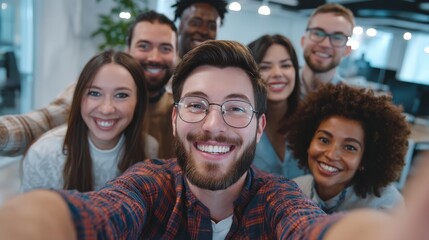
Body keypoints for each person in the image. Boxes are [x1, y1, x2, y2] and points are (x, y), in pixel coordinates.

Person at [0, 40, 429, 240]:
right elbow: (97, 213)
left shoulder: (279, 199)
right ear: (174, 121)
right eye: (197, 104)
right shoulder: (148, 184)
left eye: (236, 108)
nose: (213, 124)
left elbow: (310, 228)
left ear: (259, 127)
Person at [0, 10, 178, 158]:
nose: (154, 57)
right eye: (144, 46)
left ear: (176, 54)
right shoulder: (96, 88)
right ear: (128, 50)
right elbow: (44, 120)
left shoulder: (182, 99)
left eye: (165, 48)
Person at [21, 50, 158, 192]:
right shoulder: (43, 155)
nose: (106, 109)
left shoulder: (149, 149)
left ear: (138, 102)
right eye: (94, 93)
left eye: (121, 95)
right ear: (79, 98)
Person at [287, 83, 410, 213]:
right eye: (324, 140)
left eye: (350, 148)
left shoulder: (385, 205)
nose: (331, 154)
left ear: (365, 159)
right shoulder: (295, 190)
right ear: (308, 141)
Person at [247, 34, 306, 179]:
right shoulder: (239, 125)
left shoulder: (313, 119)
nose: (277, 74)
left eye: (285, 65)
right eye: (264, 67)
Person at [300, 3, 354, 97]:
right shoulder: (279, 88)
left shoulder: (349, 101)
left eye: (337, 37)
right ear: (303, 41)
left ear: (347, 50)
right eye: (318, 33)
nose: (325, 44)